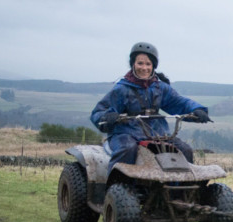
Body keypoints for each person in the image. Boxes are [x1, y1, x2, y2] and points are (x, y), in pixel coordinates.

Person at [90, 42, 211, 173]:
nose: (144, 68)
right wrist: (107, 116)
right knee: (128, 149)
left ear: (153, 66)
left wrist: (197, 110)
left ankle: (183, 189)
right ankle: (116, 187)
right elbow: (99, 112)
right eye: (140, 63)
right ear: (133, 64)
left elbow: (179, 102)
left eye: (148, 64)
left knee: (184, 149)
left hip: (157, 133)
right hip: (125, 133)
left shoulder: (160, 88)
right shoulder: (122, 89)